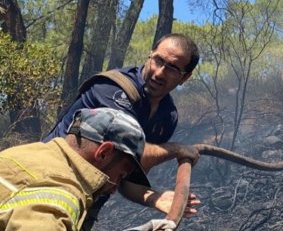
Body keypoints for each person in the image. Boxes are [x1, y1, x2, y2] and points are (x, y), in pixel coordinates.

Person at [43, 33, 201, 230]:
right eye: (158, 60)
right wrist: (176, 150)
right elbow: (127, 153)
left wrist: (155, 198)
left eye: (172, 68)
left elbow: (127, 174)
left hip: (87, 205)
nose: (159, 73)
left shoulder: (167, 117)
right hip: (49, 185)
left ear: (185, 77)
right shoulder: (113, 90)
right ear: (150, 55)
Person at [0, 108, 149, 231]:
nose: (114, 188)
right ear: (103, 153)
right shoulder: (59, 198)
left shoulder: (23, 154)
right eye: (120, 175)